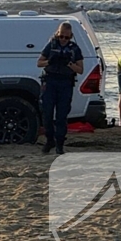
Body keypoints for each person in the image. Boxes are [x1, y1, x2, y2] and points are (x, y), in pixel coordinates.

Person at [37, 22, 84, 154]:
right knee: (47, 113)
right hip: (50, 81)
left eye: (66, 37)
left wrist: (69, 64)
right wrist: (50, 61)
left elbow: (80, 70)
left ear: (71, 36)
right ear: (57, 34)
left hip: (65, 83)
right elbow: (39, 63)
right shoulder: (51, 45)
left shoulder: (74, 49)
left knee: (62, 116)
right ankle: (49, 140)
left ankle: (59, 144)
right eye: (61, 36)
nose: (63, 40)